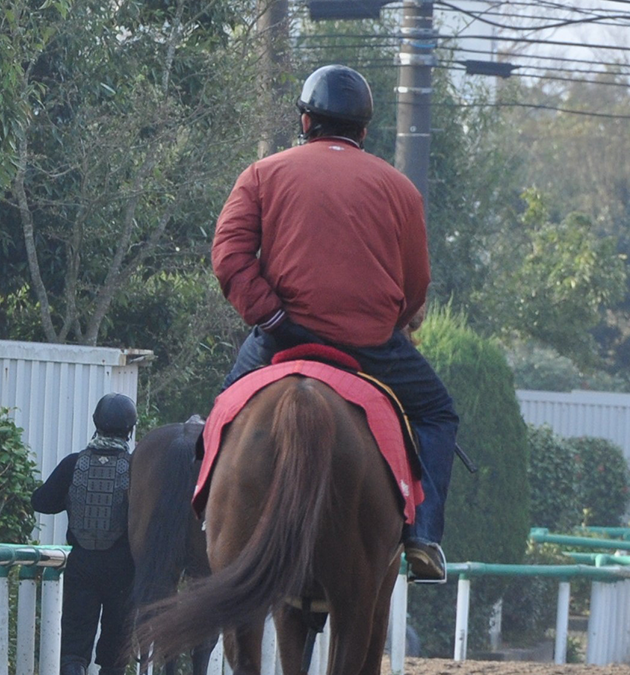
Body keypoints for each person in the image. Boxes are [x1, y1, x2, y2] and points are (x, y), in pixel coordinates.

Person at [211, 64, 458, 584]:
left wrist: (276, 318)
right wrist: (379, 321)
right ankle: (422, 537)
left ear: (305, 122)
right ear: (364, 130)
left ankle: (210, 523)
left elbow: (230, 257)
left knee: (223, 414)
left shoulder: (261, 173)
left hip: (282, 336)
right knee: (437, 414)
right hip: (371, 346)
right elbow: (416, 285)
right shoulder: (401, 190)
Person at [33, 394, 139, 675]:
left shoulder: (73, 464)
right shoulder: (136, 468)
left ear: (95, 422)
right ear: (130, 428)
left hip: (81, 565)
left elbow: (41, 502)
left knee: (74, 649)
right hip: (123, 568)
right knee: (116, 650)